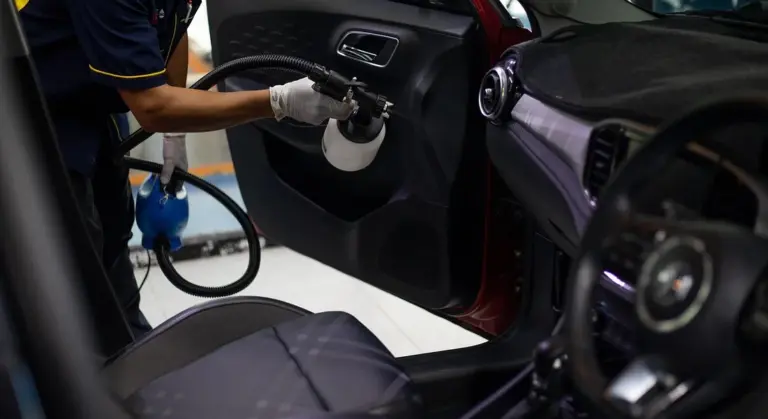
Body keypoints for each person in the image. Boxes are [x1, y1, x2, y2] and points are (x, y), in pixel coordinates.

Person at [15, 0, 353, 340]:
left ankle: (127, 344)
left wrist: (174, 134)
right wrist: (278, 102)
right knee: (74, 254)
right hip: (28, 110)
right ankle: (82, 367)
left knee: (113, 231)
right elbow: (152, 105)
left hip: (88, 101)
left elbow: (174, 29)